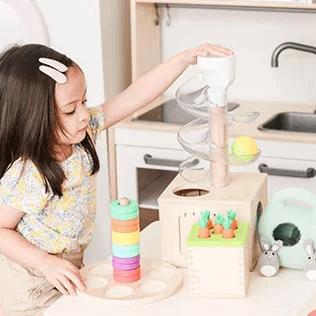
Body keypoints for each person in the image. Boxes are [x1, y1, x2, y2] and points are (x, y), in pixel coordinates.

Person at [0, 43, 233, 315]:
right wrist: (44, 263)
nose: (85, 114)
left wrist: (183, 59)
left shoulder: (83, 137)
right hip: (28, 280)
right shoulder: (29, 173)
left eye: (84, 101)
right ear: (33, 118)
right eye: (70, 110)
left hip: (67, 267)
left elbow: (136, 94)